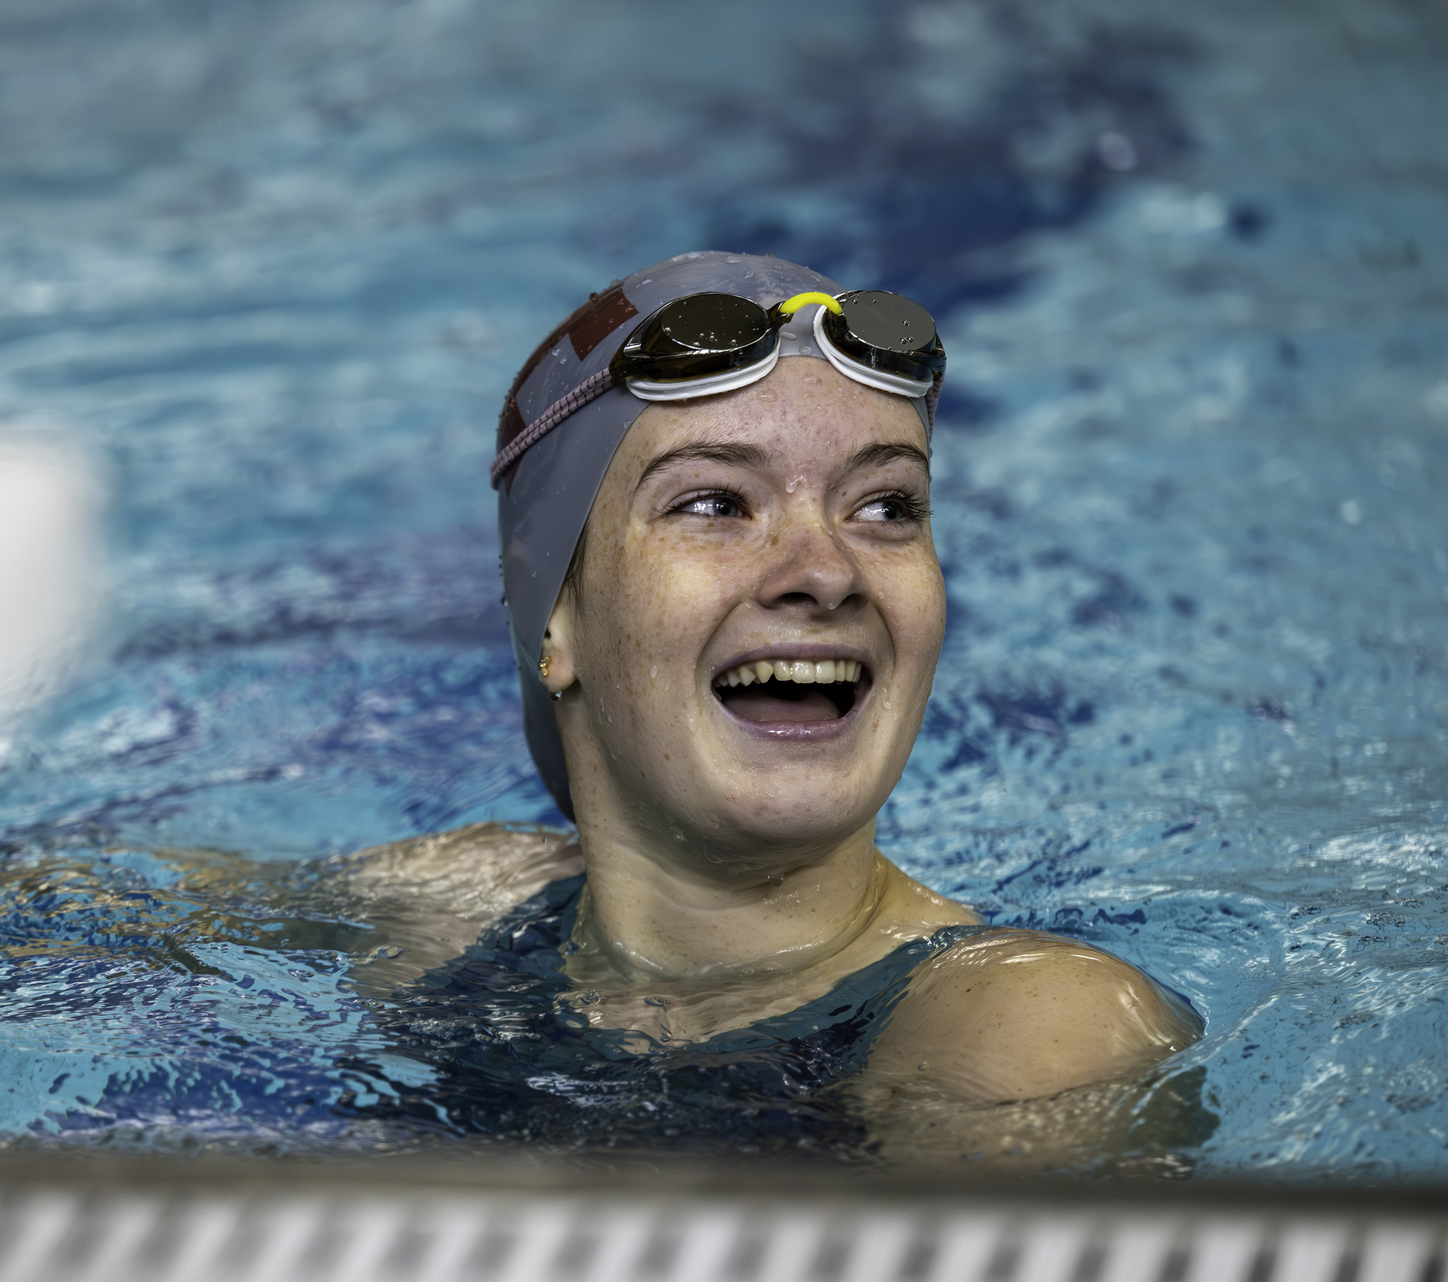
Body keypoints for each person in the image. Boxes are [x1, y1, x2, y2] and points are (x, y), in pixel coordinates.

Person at [346, 251, 1200, 1156]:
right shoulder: (449, 907)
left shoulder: (1031, 1025)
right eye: (715, 503)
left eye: (885, 507)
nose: (827, 572)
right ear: (554, 619)